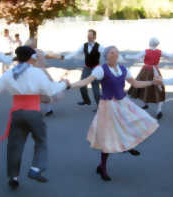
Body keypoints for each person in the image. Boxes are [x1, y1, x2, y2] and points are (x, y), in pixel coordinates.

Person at [0, 46, 70, 189]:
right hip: (33, 112)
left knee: (15, 146)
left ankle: (14, 177)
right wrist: (64, 84)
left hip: (17, 113)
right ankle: (36, 169)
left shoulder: (9, 73)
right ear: (32, 58)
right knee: (41, 140)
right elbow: (50, 90)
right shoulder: (37, 72)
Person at [69, 46, 160, 181]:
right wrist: (69, 85)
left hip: (122, 103)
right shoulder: (101, 69)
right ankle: (103, 167)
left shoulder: (123, 69)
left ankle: (128, 145)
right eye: (112, 52)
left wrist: (152, 82)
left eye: (117, 52)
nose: (116, 54)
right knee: (108, 136)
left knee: (137, 120)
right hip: (108, 106)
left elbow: (135, 83)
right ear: (107, 56)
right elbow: (86, 81)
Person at [125, 37, 173, 119]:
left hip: (146, 70)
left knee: (143, 86)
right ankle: (159, 110)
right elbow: (170, 55)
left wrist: (127, 56)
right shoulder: (159, 52)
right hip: (155, 70)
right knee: (158, 88)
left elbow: (136, 57)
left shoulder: (146, 51)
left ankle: (145, 104)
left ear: (149, 43)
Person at [64, 29, 104, 111]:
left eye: (90, 35)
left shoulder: (99, 47)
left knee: (95, 89)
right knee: (81, 85)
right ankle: (86, 100)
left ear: (94, 37)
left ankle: (100, 107)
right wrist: (64, 57)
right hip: (86, 68)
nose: (88, 37)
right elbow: (75, 53)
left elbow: (107, 54)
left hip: (96, 69)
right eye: (88, 35)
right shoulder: (84, 45)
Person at [25, 38, 65, 116]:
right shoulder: (39, 51)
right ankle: (48, 110)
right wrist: (59, 57)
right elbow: (49, 55)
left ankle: (36, 110)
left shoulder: (31, 54)